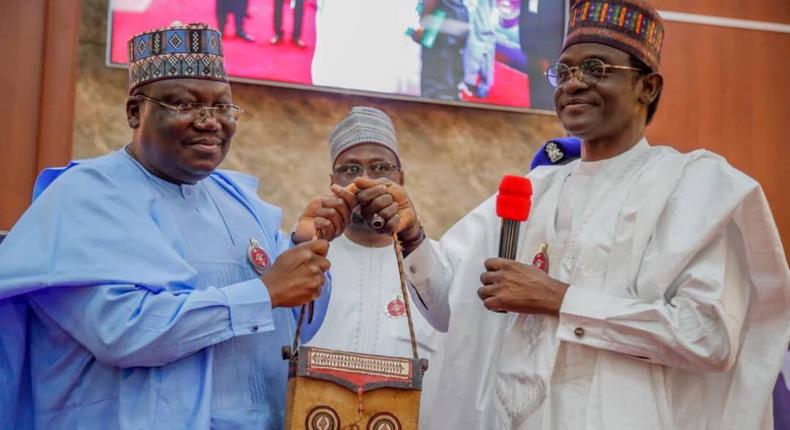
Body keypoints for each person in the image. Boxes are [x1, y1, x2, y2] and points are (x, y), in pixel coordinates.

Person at [350, 1, 790, 428]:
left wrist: (562, 300)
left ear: (648, 87)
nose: (573, 84)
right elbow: (452, 309)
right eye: (564, 71)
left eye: (597, 69)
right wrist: (411, 235)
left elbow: (707, 337)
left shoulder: (690, 187)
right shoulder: (533, 190)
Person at [0, 23, 352, 429]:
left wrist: (305, 251)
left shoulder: (240, 202)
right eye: (185, 104)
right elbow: (122, 331)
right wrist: (264, 292)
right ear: (135, 111)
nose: (209, 121)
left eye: (223, 107)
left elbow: (295, 325)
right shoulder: (83, 197)